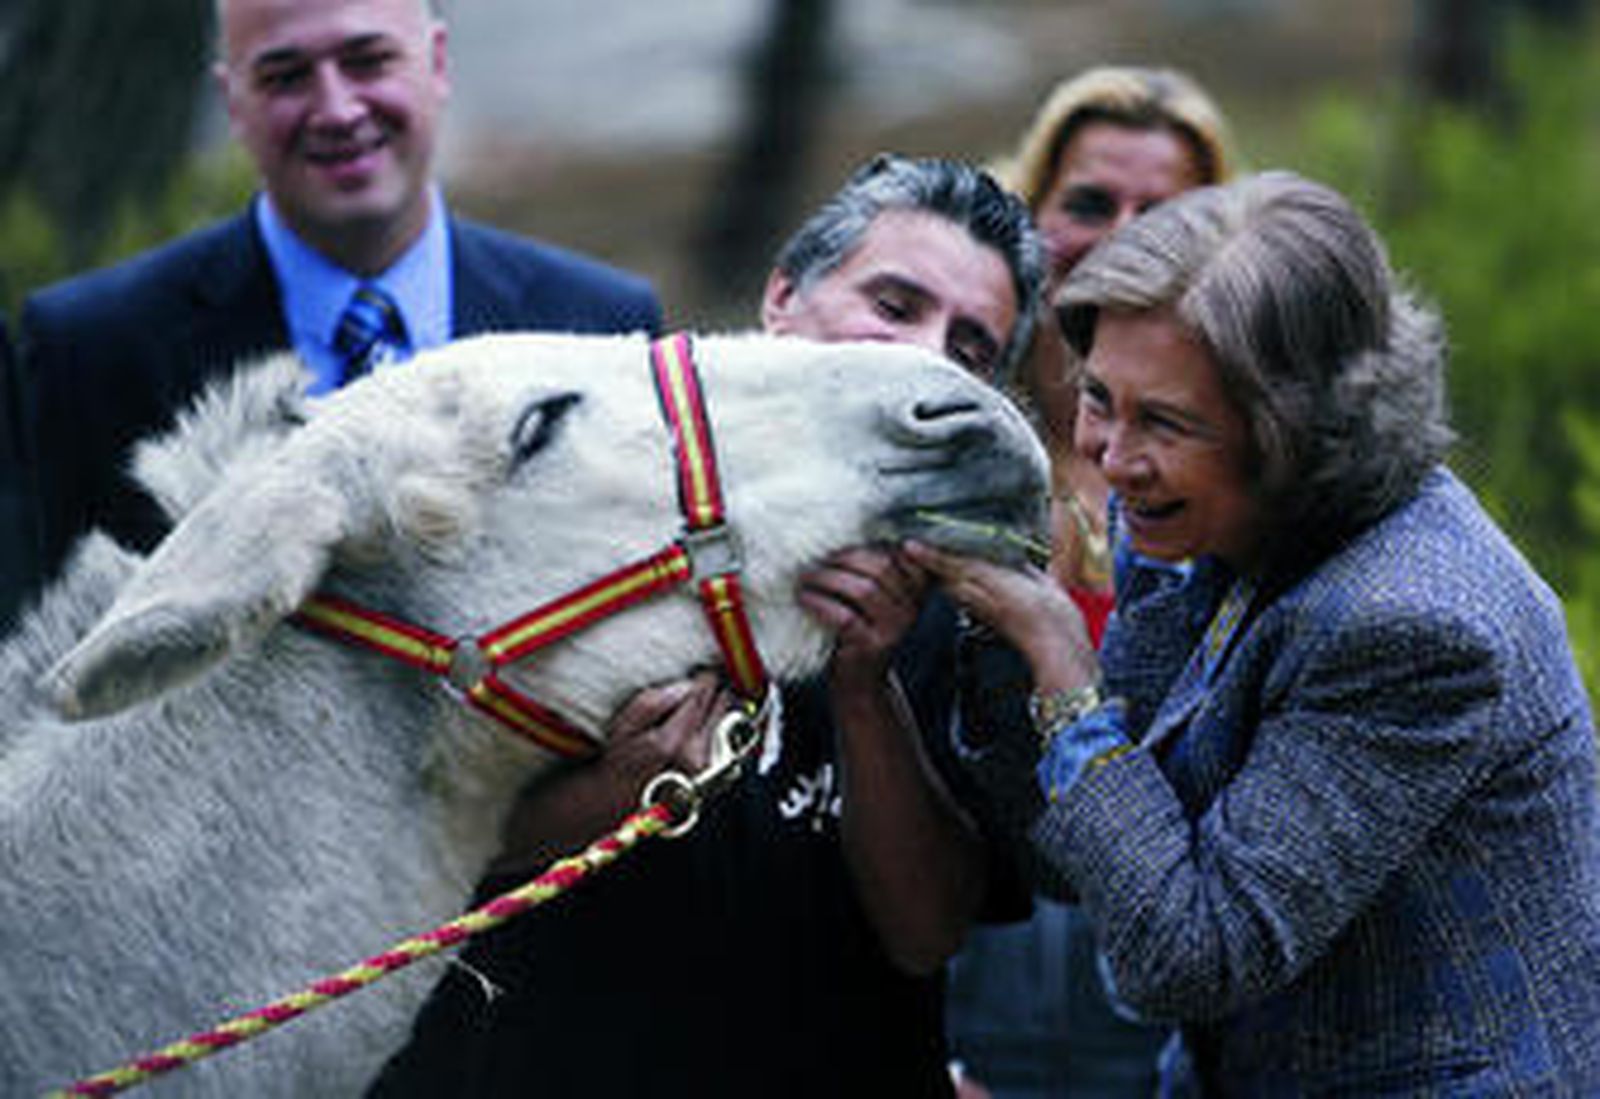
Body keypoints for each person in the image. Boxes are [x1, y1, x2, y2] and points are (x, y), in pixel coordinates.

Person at [369, 153, 1046, 1099]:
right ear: (781, 299)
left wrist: (864, 688)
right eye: (894, 305)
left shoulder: (970, 601)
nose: (925, 357)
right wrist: (610, 796)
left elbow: (927, 931)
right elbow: (410, 845)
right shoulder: (590, 500)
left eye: (971, 348)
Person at [912, 171, 1600, 1094]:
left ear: (1300, 429)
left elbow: (1185, 954)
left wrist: (1064, 671)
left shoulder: (1416, 625)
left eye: (1163, 420)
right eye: (1100, 397)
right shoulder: (1194, 509)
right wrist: (1002, 628)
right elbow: (1099, 862)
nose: (1110, 460)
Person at [3, 0, 660, 632]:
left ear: (436, 63)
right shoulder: (89, 350)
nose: (337, 109)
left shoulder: (598, 328)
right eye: (286, 76)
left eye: (368, 60)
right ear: (234, 102)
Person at [945, 65, 1237, 1099]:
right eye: (1088, 203)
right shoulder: (949, 422)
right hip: (952, 947)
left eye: (1163, 212)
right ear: (1026, 215)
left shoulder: (1240, 471)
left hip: (1159, 962)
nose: (1122, 233)